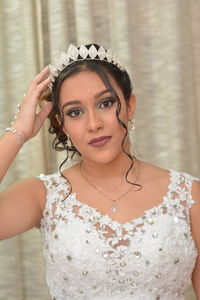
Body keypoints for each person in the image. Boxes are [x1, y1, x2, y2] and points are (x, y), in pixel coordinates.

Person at [0, 43, 199, 300]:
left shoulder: (187, 194)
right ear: (62, 124)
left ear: (130, 106)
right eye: (75, 112)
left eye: (105, 103)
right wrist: (18, 132)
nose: (93, 124)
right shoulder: (42, 195)